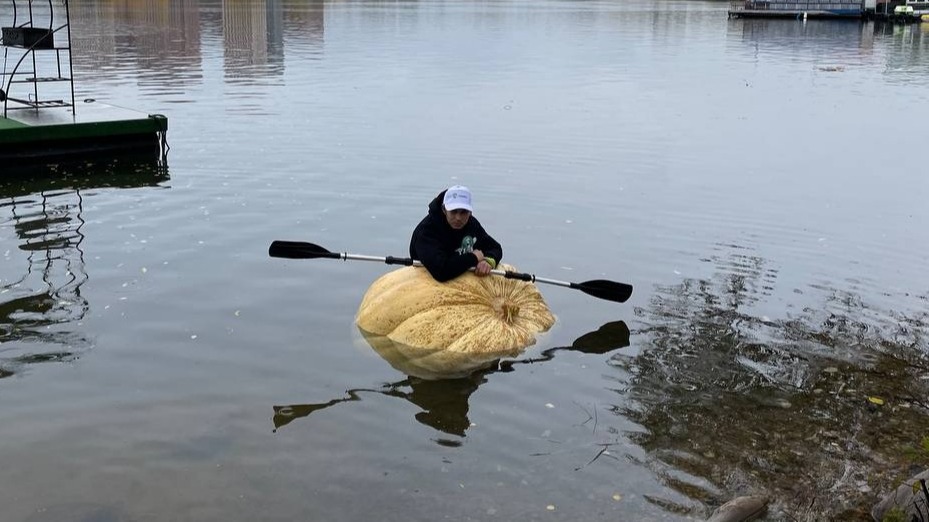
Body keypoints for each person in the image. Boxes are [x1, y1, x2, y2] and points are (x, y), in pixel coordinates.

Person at [409, 185, 503, 282]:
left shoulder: (471, 224)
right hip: (426, 282)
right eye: (453, 212)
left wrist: (488, 261)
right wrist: (473, 258)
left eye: (463, 212)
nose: (458, 218)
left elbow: (495, 247)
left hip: (462, 280)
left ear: (470, 212)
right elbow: (441, 272)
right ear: (444, 209)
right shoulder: (426, 232)